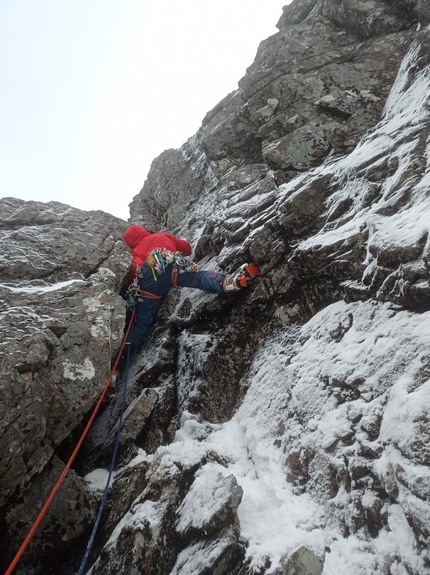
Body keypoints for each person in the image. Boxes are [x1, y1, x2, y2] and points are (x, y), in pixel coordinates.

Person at [111, 224, 257, 375]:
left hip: (149, 284)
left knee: (140, 324)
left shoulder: (135, 252)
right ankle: (225, 282)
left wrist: (134, 285)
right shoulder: (162, 236)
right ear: (144, 231)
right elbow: (186, 249)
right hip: (168, 262)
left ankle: (117, 365)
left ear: (130, 242)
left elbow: (135, 269)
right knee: (197, 277)